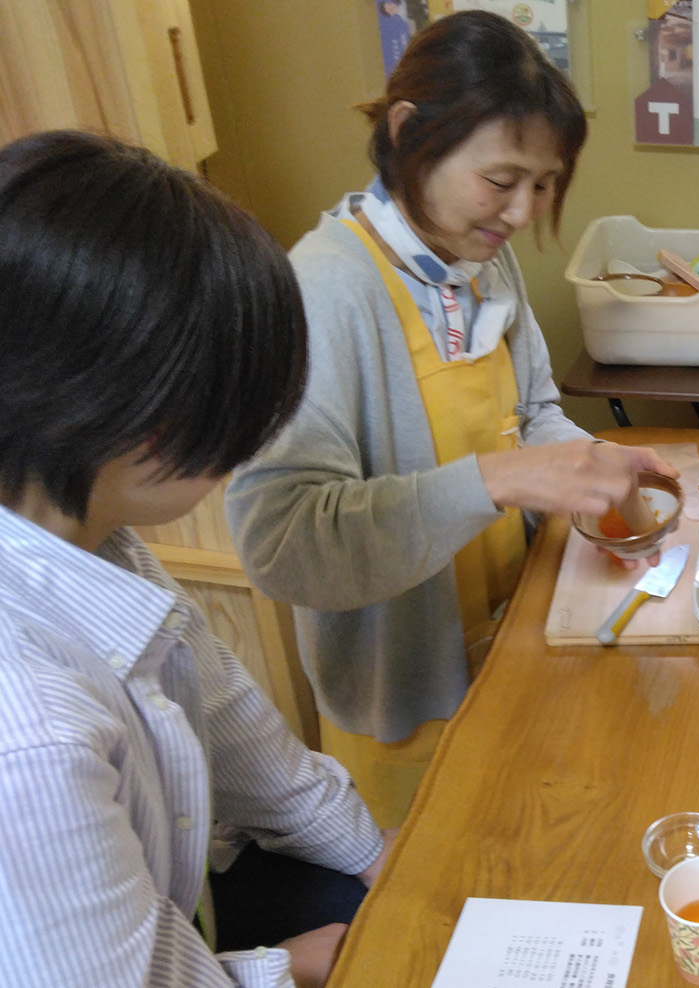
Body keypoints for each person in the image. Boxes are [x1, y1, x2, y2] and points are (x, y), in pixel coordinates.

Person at [226, 12, 674, 828]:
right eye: (502, 180)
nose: (521, 210)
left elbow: (531, 411)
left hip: (507, 645)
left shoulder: (479, 257)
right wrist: (499, 480)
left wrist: (593, 466)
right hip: (404, 697)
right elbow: (280, 543)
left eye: (544, 184)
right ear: (409, 134)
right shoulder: (326, 288)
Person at [0, 130, 390, 988]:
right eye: (243, 411)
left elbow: (229, 717)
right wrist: (279, 971)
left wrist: (375, 856)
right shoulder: (29, 739)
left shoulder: (97, 533)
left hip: (178, 908)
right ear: (144, 416)